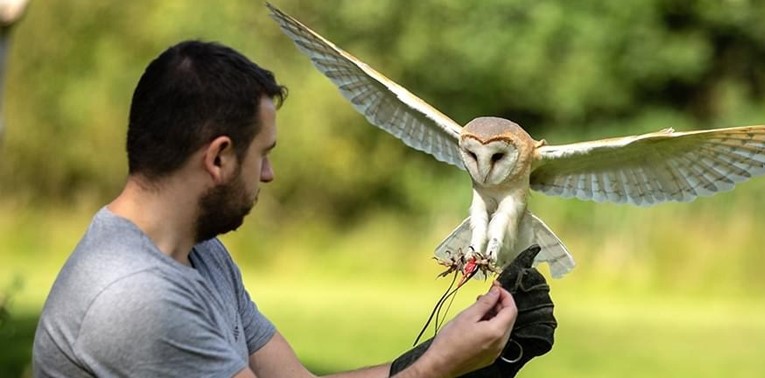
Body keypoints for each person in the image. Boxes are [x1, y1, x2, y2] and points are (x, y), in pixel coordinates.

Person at [32, 40, 522, 377]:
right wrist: (438, 369)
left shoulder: (201, 256)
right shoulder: (136, 300)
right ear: (219, 157)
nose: (269, 175)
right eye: (263, 155)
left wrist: (447, 354)